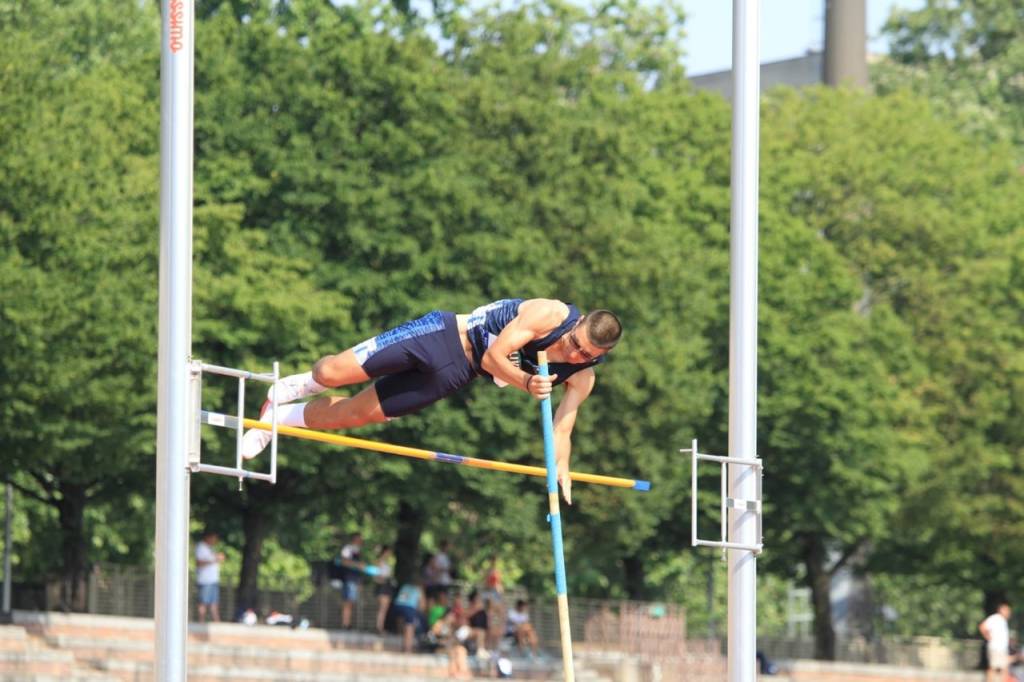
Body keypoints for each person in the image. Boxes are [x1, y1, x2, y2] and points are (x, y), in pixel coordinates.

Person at [241, 298, 623, 505]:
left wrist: (561, 467)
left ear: (596, 356)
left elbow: (563, 426)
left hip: (456, 372)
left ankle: (278, 417)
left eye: (584, 355)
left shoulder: (582, 377)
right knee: (330, 374)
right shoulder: (549, 315)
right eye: (574, 343)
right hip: (440, 336)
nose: (573, 354)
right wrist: (526, 382)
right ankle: (298, 385)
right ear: (579, 322)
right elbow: (495, 357)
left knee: (357, 415)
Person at [335, 532, 365, 629]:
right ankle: (345, 623)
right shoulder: (348, 549)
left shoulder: (358, 551)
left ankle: (347, 623)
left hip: (354, 579)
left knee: (351, 602)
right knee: (347, 601)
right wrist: (357, 565)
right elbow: (344, 562)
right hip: (348, 578)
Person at [194, 530, 225, 623]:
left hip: (213, 580)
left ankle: (217, 622)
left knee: (214, 603)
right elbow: (199, 562)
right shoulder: (201, 547)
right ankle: (201, 621)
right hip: (205, 580)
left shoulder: (210, 548)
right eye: (213, 539)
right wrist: (215, 559)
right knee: (203, 602)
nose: (215, 541)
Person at [391, 578, 427, 653]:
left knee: (403, 625)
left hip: (397, 606)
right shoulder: (419, 588)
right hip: (409, 608)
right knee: (410, 627)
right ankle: (407, 648)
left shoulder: (405, 586)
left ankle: (401, 643)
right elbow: (422, 606)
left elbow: (401, 599)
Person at [979, 601, 1012, 682]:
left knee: (1002, 669)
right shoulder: (995, 618)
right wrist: (988, 637)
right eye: (1007, 610)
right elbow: (982, 626)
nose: (1008, 612)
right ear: (1001, 610)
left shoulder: (1003, 620)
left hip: (1001, 648)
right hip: (996, 648)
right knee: (994, 668)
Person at [373, 545, 396, 634]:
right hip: (383, 586)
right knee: (382, 608)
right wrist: (384, 579)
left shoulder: (386, 563)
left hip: (387, 586)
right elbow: (376, 577)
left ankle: (380, 627)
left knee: (384, 609)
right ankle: (379, 628)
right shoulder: (379, 562)